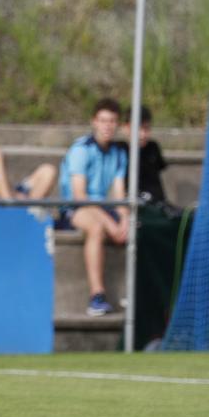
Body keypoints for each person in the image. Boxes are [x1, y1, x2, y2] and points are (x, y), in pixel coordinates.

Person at [58, 97, 129, 316]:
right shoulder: (81, 149)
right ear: (94, 122)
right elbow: (79, 195)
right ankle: (97, 296)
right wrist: (110, 223)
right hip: (76, 208)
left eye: (112, 121)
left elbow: (119, 194)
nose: (107, 126)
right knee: (97, 229)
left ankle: (138, 295)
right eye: (103, 120)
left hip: (102, 207)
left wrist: (124, 220)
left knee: (137, 229)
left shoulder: (118, 153)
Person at [115, 104, 168, 205]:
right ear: (126, 128)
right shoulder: (119, 150)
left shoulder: (153, 147)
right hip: (135, 205)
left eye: (147, 129)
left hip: (158, 204)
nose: (143, 134)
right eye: (139, 129)